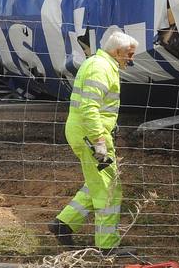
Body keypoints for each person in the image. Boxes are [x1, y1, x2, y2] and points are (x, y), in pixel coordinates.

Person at [49, 29, 137, 253]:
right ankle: (107, 247)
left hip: (86, 133)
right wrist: (99, 141)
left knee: (97, 182)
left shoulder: (98, 63)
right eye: (129, 53)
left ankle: (64, 224)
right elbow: (89, 107)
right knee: (109, 188)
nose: (131, 59)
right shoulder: (101, 68)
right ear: (117, 51)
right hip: (91, 136)